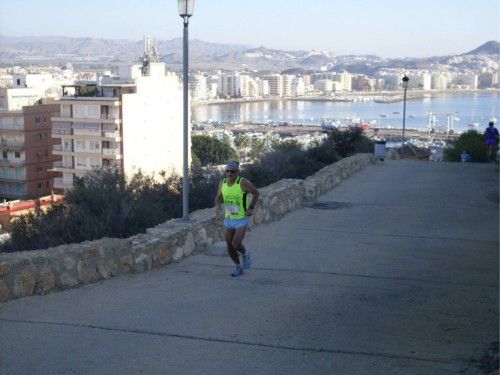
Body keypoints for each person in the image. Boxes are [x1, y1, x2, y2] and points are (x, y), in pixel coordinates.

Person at [215, 160, 260, 277]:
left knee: (236, 243)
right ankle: (238, 266)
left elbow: (256, 193)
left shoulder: (243, 183)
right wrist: (218, 206)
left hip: (241, 218)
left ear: (237, 172)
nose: (229, 173)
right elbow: (218, 197)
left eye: (232, 171)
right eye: (227, 171)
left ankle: (245, 254)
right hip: (229, 218)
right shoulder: (222, 183)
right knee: (229, 244)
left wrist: (251, 207)